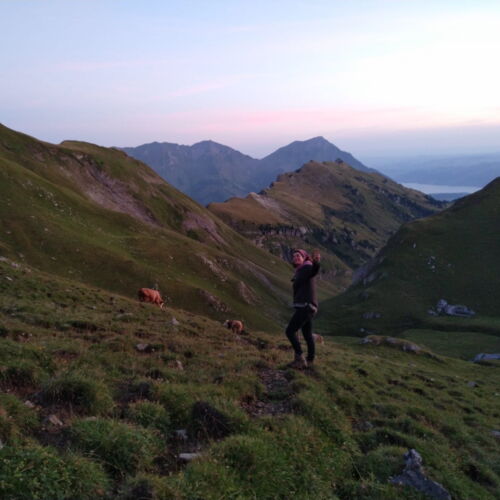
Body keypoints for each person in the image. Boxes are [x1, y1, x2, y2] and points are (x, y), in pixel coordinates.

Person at [285, 248, 321, 369]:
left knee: (289, 331)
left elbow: (314, 271)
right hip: (309, 307)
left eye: (298, 256)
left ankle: (299, 358)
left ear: (304, 258)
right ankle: (310, 360)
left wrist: (316, 262)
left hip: (305, 306)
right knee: (307, 335)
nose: (295, 257)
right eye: (294, 256)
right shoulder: (300, 271)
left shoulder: (307, 267)